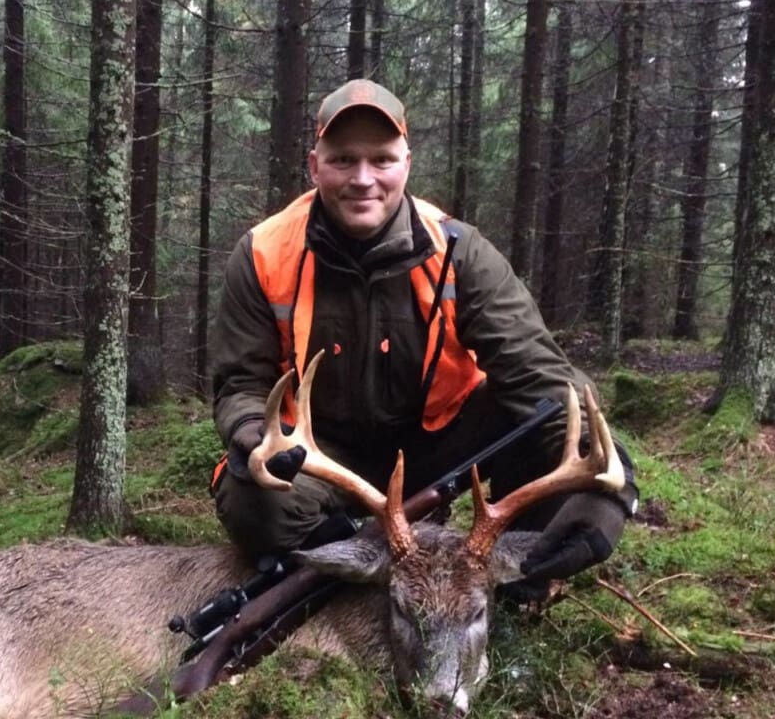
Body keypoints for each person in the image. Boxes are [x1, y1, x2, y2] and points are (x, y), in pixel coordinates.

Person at [209, 79, 638, 600]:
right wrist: (258, 436)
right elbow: (241, 383)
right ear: (314, 165)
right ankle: (353, 578)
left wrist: (609, 489)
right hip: (326, 453)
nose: (363, 179)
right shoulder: (263, 253)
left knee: (540, 423)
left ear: (406, 164)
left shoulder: (458, 251)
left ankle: (511, 585)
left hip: (438, 444)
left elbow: (541, 377)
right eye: (343, 160)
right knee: (253, 493)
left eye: (381, 160)